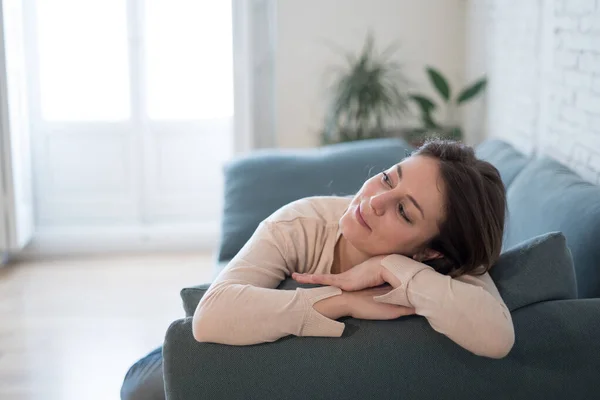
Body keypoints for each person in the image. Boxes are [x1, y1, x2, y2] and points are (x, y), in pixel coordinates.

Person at [121, 140, 514, 400]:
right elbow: (209, 316)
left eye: (403, 211)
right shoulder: (301, 223)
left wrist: (393, 267)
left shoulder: (448, 262)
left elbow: (497, 337)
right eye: (387, 179)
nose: (374, 200)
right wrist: (344, 301)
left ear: (429, 253)